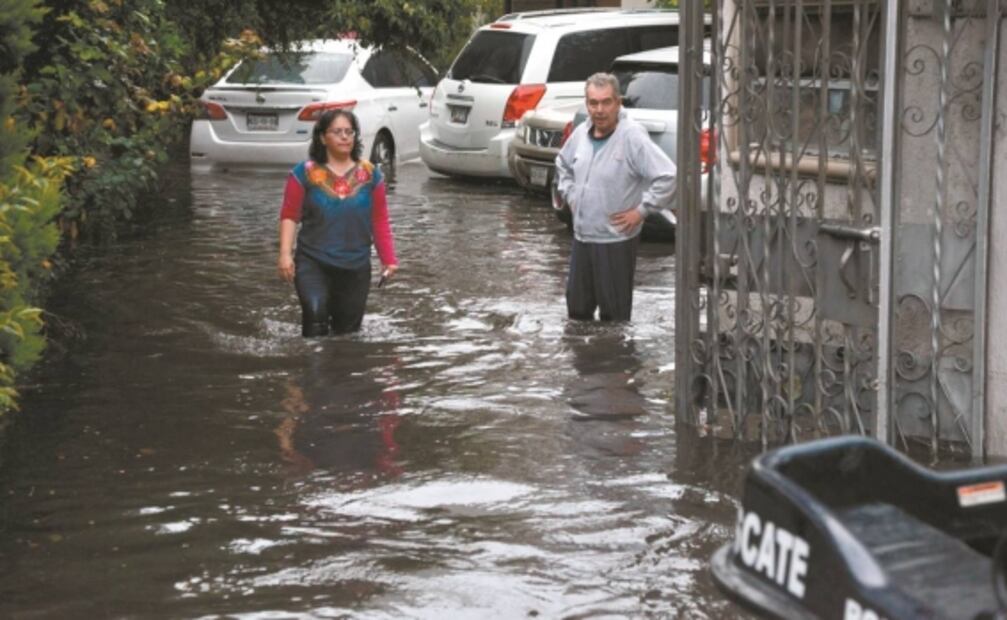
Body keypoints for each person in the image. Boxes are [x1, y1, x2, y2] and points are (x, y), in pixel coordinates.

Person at [554, 72, 676, 322]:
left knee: (615, 319)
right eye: (593, 103)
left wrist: (641, 211)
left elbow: (668, 176)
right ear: (587, 105)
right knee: (577, 314)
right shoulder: (581, 133)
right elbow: (562, 164)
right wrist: (571, 194)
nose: (599, 110)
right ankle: (584, 361)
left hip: (615, 242)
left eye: (606, 102)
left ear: (618, 103)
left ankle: (616, 360)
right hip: (582, 238)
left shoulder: (632, 137)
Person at [277, 109, 398, 336]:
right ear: (322, 137)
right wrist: (285, 254)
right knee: (314, 318)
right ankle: (313, 369)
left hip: (355, 267)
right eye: (337, 132)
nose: (345, 137)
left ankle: (340, 370)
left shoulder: (371, 175)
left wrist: (388, 259)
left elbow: (379, 220)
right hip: (313, 262)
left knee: (347, 334)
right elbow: (290, 216)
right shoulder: (303, 173)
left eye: (349, 132)